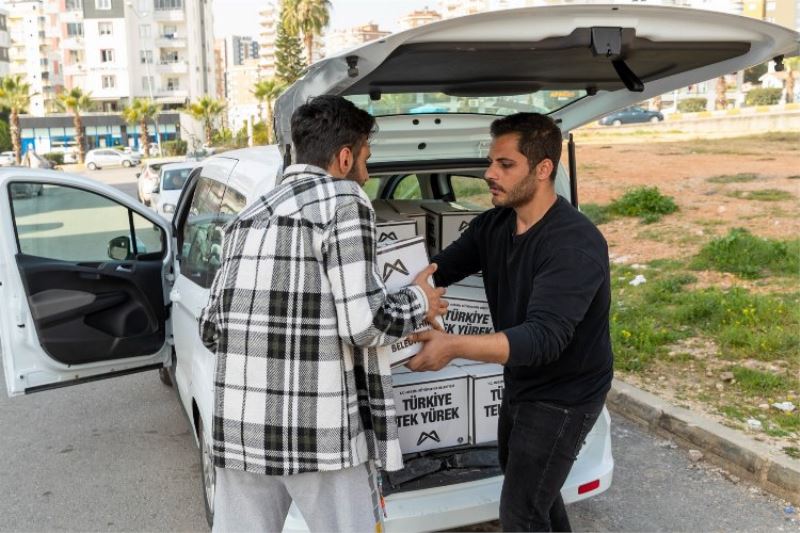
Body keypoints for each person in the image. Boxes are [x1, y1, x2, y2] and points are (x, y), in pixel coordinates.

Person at [199, 95, 447, 532]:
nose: (367, 175)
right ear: (345, 157)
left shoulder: (248, 214)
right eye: (366, 161)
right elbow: (366, 324)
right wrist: (419, 300)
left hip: (239, 429)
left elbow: (211, 328)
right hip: (320, 434)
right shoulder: (343, 199)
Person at [406, 113, 613, 532]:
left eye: (505, 164)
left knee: (521, 511)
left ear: (542, 169)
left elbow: (542, 339)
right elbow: (439, 268)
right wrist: (416, 293)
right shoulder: (494, 225)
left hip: (566, 392)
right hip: (522, 380)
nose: (488, 174)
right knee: (534, 489)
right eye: (491, 163)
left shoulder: (574, 244)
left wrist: (453, 346)